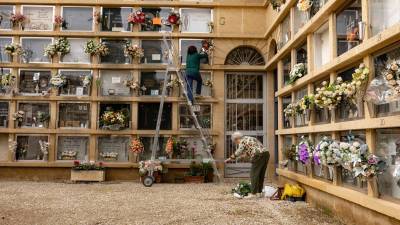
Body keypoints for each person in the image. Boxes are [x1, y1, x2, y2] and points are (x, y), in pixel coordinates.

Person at [225, 131, 270, 198]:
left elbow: (239, 151)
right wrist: (240, 158)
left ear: (236, 139)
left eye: (235, 142)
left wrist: (229, 158)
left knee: (254, 174)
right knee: (260, 174)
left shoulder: (242, 141)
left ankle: (253, 194)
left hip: (258, 155)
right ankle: (259, 193)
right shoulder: (250, 138)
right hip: (266, 153)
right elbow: (248, 152)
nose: (236, 143)